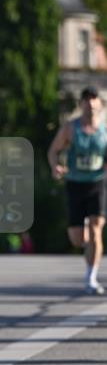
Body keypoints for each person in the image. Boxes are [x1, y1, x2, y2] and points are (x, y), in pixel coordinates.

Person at [47, 85, 107, 295]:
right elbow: (53, 151)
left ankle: (91, 277)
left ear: (100, 103)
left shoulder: (105, 130)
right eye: (86, 99)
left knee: (96, 227)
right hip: (75, 184)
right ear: (80, 104)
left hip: (97, 183)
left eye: (94, 99)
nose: (90, 103)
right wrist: (56, 166)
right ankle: (88, 243)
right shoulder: (70, 128)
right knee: (77, 239)